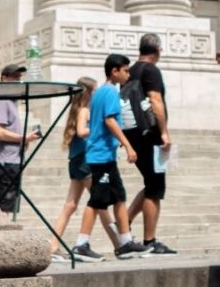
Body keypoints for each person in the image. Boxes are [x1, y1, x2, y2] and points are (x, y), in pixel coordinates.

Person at [70, 54, 149, 262]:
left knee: (119, 197)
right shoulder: (111, 92)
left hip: (103, 155)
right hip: (101, 155)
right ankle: (81, 244)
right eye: (125, 70)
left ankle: (125, 242)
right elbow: (110, 121)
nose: (128, 74)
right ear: (115, 71)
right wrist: (128, 145)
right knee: (97, 200)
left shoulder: (100, 93)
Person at [49, 77, 119, 262]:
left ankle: (52, 246)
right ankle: (120, 245)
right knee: (100, 202)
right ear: (87, 92)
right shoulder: (84, 111)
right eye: (95, 90)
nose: (97, 94)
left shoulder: (81, 110)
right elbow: (81, 132)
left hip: (77, 160)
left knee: (70, 205)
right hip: (85, 161)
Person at [124, 33, 177, 255]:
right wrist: (164, 132)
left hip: (133, 133)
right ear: (157, 50)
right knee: (155, 188)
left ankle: (122, 222)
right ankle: (149, 240)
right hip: (150, 133)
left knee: (150, 183)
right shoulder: (151, 70)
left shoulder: (130, 71)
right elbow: (155, 100)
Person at [0, 64, 40, 213]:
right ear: (4, 78)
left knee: (10, 207)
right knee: (5, 207)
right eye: (14, 76)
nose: (17, 80)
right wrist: (23, 138)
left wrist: (23, 141)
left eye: (19, 77)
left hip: (12, 161)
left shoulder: (10, 102)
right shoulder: (1, 100)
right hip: (5, 162)